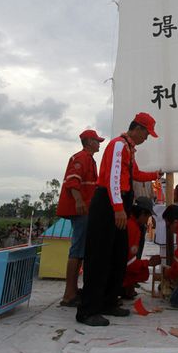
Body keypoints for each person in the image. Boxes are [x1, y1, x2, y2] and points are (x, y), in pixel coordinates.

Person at [76, 113, 161, 327]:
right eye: (147, 134)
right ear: (138, 129)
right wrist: (118, 209)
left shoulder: (129, 149)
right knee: (99, 258)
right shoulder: (118, 146)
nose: (147, 138)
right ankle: (87, 310)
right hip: (108, 204)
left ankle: (108, 301)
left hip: (118, 203)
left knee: (117, 255)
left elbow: (134, 174)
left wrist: (154, 175)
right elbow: (114, 179)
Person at [56, 129, 104, 307]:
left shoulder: (90, 160)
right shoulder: (81, 158)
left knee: (80, 250)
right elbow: (73, 181)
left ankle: (73, 291)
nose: (99, 143)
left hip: (85, 210)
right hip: (81, 210)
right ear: (89, 141)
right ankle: (69, 294)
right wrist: (79, 201)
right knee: (77, 250)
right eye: (97, 141)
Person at [122, 197, 161, 299]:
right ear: (142, 213)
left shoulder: (129, 222)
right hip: (116, 270)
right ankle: (123, 288)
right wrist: (148, 263)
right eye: (148, 216)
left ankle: (125, 288)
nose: (147, 220)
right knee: (142, 271)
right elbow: (129, 264)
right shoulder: (133, 228)